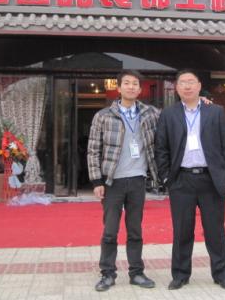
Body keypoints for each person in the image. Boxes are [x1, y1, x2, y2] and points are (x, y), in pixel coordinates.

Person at [155, 70, 225, 291]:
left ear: (199, 86)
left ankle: (221, 275)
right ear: (177, 87)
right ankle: (180, 275)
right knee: (182, 230)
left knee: (215, 230)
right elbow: (161, 148)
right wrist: (166, 177)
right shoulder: (168, 114)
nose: (187, 86)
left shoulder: (215, 111)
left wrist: (223, 174)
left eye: (191, 82)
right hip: (181, 180)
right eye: (183, 82)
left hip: (210, 180)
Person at [87, 70, 159, 292]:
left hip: (138, 179)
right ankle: (107, 274)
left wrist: (203, 101)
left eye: (135, 83)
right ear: (118, 88)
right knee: (110, 231)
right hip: (113, 182)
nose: (130, 87)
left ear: (140, 89)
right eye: (126, 83)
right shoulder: (103, 116)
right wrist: (96, 181)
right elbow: (93, 150)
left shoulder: (151, 114)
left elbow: (177, 117)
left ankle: (136, 273)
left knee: (135, 230)